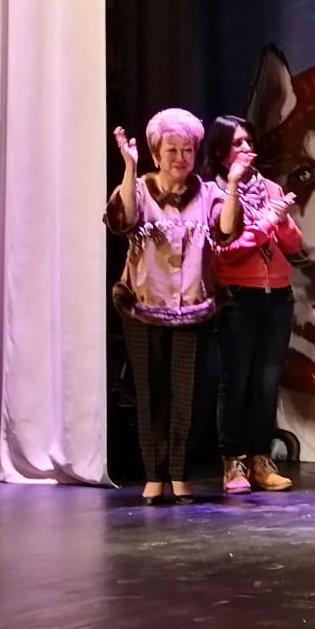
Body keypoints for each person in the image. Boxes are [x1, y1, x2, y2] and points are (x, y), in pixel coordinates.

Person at [105, 109, 248, 505]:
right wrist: (129, 166)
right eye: (171, 150)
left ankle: (180, 474)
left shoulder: (207, 192)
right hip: (143, 308)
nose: (180, 158)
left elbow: (226, 229)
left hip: (193, 310)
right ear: (156, 154)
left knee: (186, 395)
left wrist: (233, 185)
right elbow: (123, 220)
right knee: (150, 393)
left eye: (187, 150)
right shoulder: (139, 188)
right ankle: (154, 475)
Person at [199, 115, 302, 495]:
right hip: (238, 296)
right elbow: (224, 249)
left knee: (267, 382)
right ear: (221, 152)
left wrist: (282, 222)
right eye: (237, 143)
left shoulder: (270, 188)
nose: (246, 149)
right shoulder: (213, 193)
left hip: (277, 295)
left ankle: (261, 459)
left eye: (249, 142)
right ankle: (233, 462)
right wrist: (264, 226)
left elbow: (293, 244)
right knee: (236, 382)